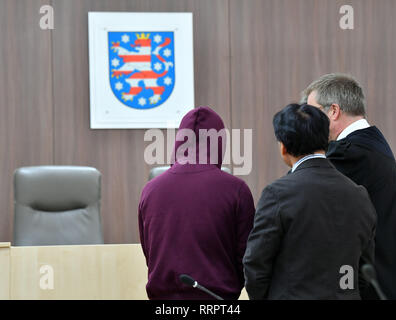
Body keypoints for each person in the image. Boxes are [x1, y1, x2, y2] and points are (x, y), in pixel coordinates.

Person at [243, 103, 376, 300]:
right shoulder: (359, 194)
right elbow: (364, 268)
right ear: (326, 140)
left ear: (283, 147)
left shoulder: (277, 194)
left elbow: (255, 264)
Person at [138, 106, 255, 300]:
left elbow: (150, 254)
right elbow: (247, 258)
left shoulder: (150, 190)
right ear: (219, 143)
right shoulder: (236, 190)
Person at [303, 73, 396, 299]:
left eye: (311, 115)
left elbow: (296, 188)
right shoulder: (371, 143)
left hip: (368, 286)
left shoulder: (349, 153)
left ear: (333, 111)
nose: (308, 124)